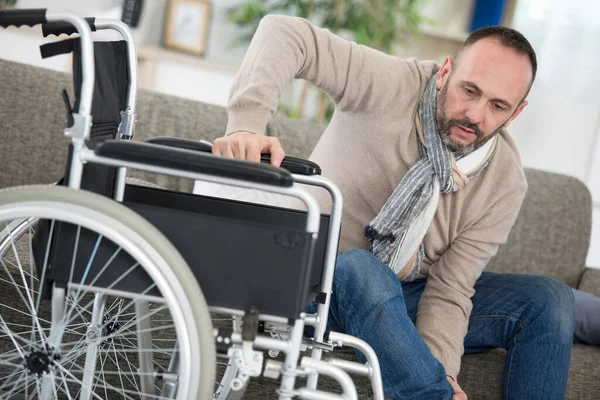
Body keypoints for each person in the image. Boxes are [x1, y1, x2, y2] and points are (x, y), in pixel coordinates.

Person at [212, 15, 576, 399]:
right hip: (314, 289)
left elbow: (449, 290)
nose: (475, 115)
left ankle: (429, 383)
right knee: (362, 266)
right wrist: (246, 123)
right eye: (469, 90)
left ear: (516, 113)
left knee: (549, 299)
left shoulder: (504, 183)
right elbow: (284, 31)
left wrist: (444, 370)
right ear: (445, 72)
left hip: (400, 303)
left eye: (498, 106)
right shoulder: (389, 85)